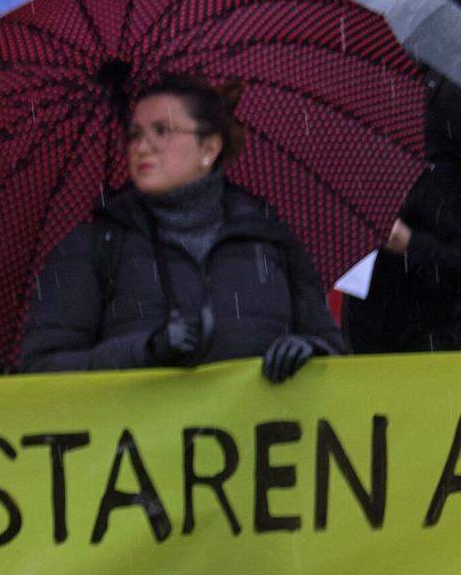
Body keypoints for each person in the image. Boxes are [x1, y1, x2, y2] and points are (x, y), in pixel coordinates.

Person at [20, 76, 345, 381]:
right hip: (137, 440)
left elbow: (336, 351)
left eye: (162, 131)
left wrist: (311, 352)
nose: (142, 147)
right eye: (134, 134)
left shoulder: (270, 234)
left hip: (256, 440)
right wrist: (146, 351)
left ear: (209, 149)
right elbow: (44, 370)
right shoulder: (92, 244)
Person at [346, 74, 461, 355]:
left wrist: (412, 244)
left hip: (439, 334)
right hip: (370, 320)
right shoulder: (388, 81)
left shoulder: (448, 105)